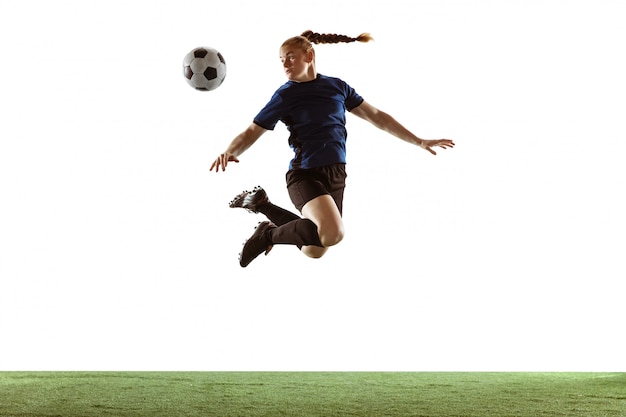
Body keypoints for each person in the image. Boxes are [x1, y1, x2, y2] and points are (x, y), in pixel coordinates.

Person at [210, 30, 455, 267]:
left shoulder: (337, 87)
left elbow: (377, 116)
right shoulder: (285, 95)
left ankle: (262, 205)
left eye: (291, 57)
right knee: (333, 233)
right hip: (304, 174)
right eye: (281, 60)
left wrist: (419, 140)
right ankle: (267, 236)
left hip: (337, 174)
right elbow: (252, 130)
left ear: (309, 56)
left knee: (315, 248)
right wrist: (230, 151)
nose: (285, 64)